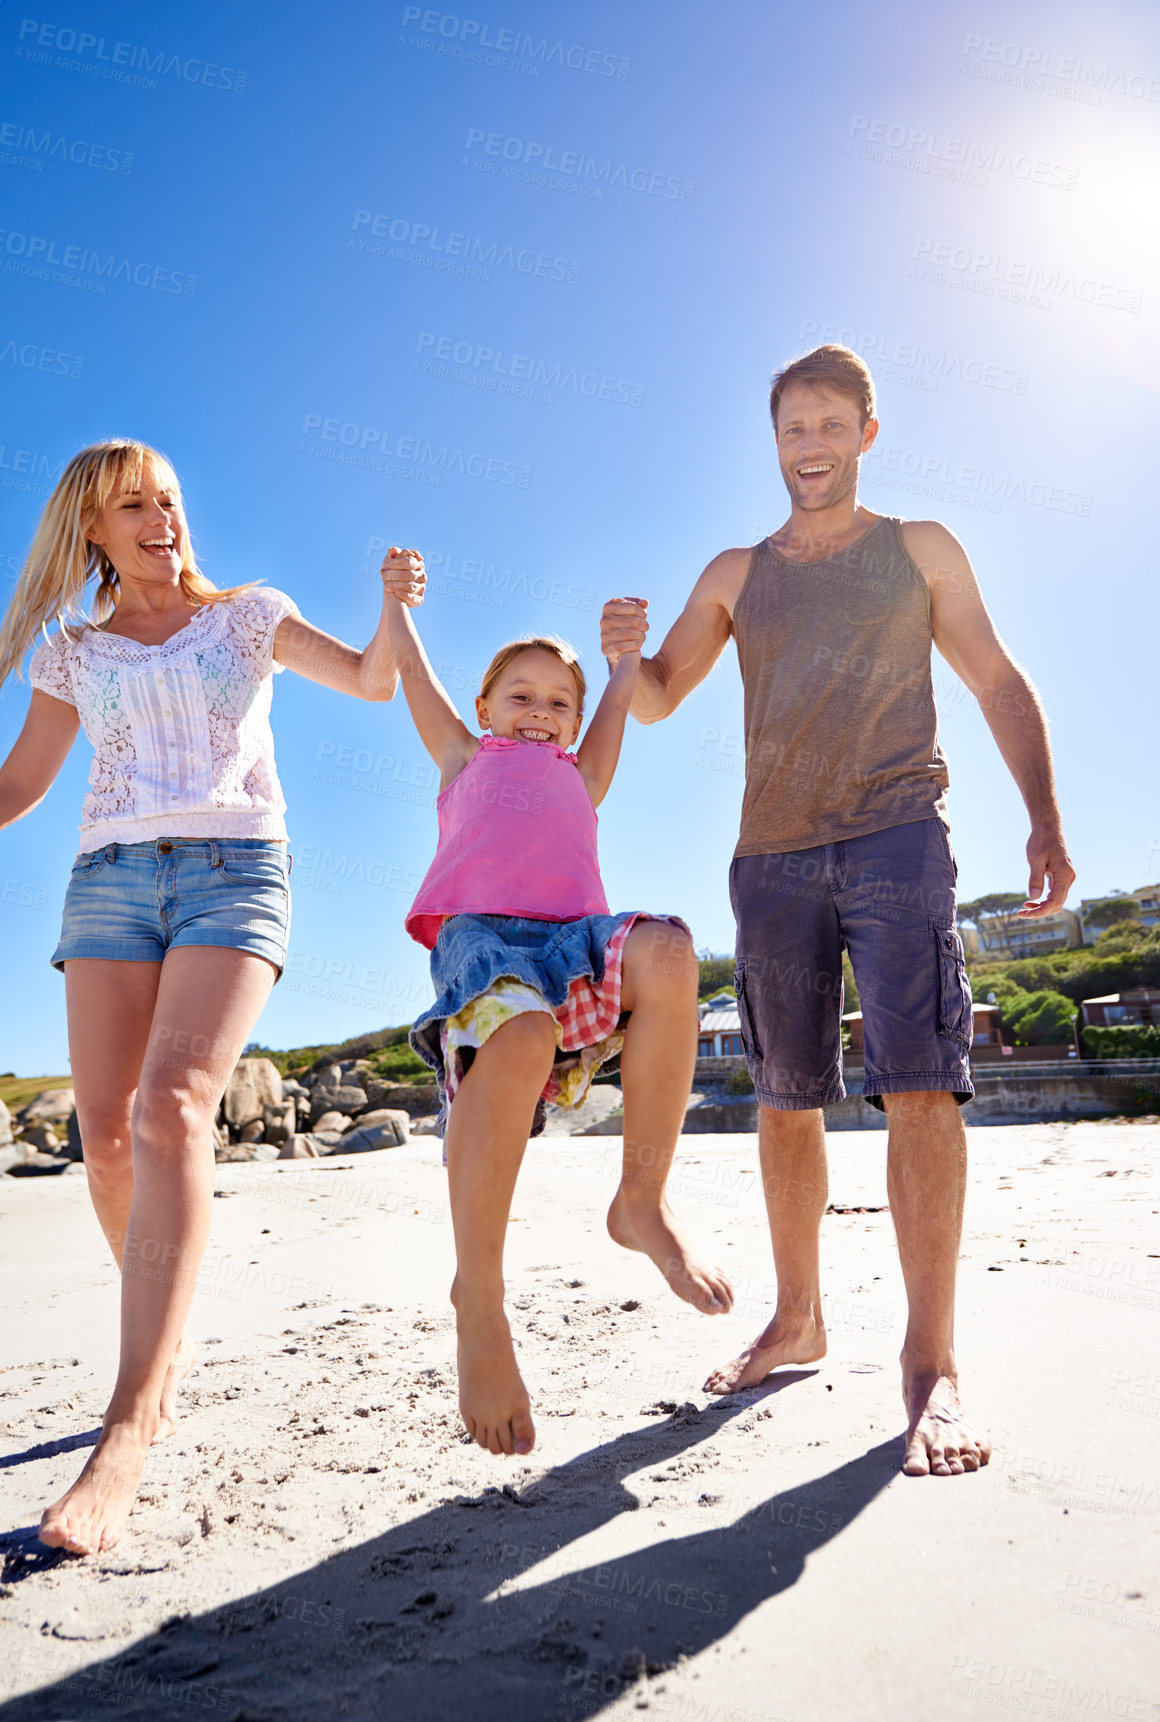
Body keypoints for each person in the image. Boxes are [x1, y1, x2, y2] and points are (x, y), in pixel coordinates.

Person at [600, 344, 1076, 1478]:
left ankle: (929, 1364)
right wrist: (624, 660)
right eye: (787, 430)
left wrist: (1042, 821)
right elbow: (661, 698)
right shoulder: (732, 571)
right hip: (771, 855)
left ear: (866, 432)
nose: (804, 448)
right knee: (783, 1095)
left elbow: (997, 682)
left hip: (897, 834)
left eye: (824, 426)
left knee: (918, 1084)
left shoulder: (918, 550)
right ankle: (798, 1317)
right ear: (771, 443)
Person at [0, 439, 425, 1554]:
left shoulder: (247, 616)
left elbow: (372, 680)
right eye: (133, 505)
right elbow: (16, 788)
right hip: (107, 883)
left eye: (170, 500)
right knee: (102, 1142)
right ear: (89, 528)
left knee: (173, 1108)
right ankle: (165, 1330)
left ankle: (132, 1418)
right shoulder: (71, 653)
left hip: (236, 873)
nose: (160, 520)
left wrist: (392, 607)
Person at [386, 583, 734, 1459]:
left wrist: (624, 656)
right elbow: (413, 675)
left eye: (558, 702)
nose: (541, 713)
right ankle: (482, 1301)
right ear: (485, 708)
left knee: (667, 951)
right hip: (485, 949)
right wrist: (397, 606)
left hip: (573, 947)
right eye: (522, 696)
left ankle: (641, 1202)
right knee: (524, 1029)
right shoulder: (463, 757)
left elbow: (621, 691)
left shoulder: (582, 771)